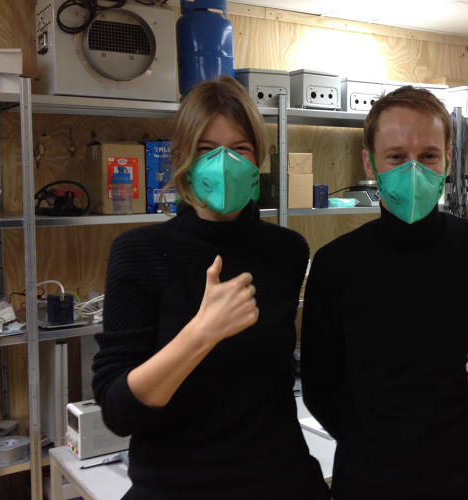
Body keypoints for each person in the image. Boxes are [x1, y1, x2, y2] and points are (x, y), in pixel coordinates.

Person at [300, 86, 468, 500]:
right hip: (371, 486)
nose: (413, 170)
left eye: (428, 156)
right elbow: (319, 387)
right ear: (370, 162)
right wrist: (376, 447)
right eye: (396, 156)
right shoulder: (335, 265)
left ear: (448, 161)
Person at [92, 76, 330, 500]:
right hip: (176, 486)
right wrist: (202, 334)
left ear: (258, 158)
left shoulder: (287, 251)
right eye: (206, 149)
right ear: (183, 158)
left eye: (240, 148)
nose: (224, 163)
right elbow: (118, 412)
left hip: (282, 480)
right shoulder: (138, 253)